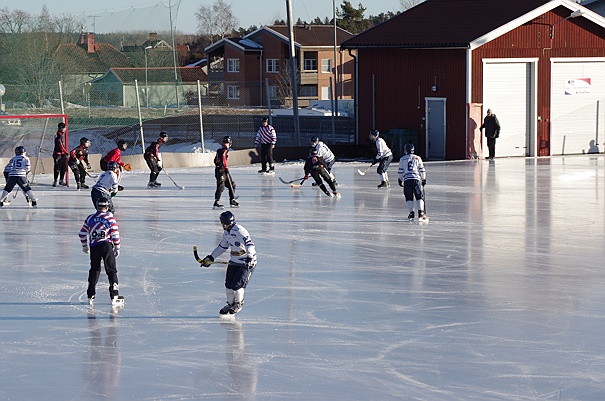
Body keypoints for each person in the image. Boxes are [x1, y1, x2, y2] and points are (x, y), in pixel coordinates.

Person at [200, 211, 257, 316]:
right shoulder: (226, 233)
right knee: (228, 285)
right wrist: (211, 257)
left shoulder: (239, 230)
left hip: (245, 263)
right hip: (234, 261)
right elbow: (222, 247)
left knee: (237, 286)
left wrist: (250, 257)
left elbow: (250, 244)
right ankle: (230, 304)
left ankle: (238, 304)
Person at [79, 197, 123, 307]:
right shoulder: (110, 218)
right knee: (111, 270)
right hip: (106, 245)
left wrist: (85, 246)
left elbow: (82, 233)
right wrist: (117, 247)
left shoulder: (90, 218)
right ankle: (114, 295)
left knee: (94, 269)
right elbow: (115, 234)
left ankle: (90, 295)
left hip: (94, 246)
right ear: (107, 207)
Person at [397, 143, 428, 221]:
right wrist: (423, 179)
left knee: (409, 197)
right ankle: (421, 212)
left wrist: (400, 179)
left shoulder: (402, 159)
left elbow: (400, 171)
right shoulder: (417, 158)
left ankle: (411, 213)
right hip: (416, 179)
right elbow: (422, 170)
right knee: (419, 196)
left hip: (407, 180)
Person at [213, 136, 238, 209]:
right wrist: (225, 168)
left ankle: (232, 200)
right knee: (221, 185)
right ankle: (216, 202)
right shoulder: (224, 150)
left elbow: (215, 160)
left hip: (222, 170)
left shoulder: (220, 149)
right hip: (221, 170)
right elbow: (223, 159)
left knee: (231, 184)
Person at [52, 122, 68, 187]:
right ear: (61, 128)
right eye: (64, 128)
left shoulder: (61, 134)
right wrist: (66, 151)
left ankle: (61, 180)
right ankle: (55, 180)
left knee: (64, 167)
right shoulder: (59, 135)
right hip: (58, 154)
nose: (65, 129)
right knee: (57, 167)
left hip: (62, 154)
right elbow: (60, 145)